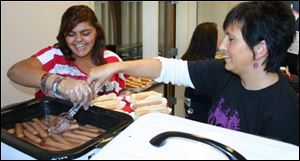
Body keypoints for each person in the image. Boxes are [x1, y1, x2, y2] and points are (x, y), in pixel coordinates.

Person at [88, 1, 299, 145]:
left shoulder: (284, 111)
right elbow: (167, 68)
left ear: (260, 49)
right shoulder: (223, 73)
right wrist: (117, 66)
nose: (222, 46)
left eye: (231, 39)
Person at [7, 5, 126, 110]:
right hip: (56, 128)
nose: (78, 39)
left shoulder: (112, 59)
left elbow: (120, 95)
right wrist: (58, 83)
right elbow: (15, 71)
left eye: (85, 33)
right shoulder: (54, 56)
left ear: (97, 32)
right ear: (64, 36)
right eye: (71, 34)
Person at [181, 22, 222, 123]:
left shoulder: (194, 61)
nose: (222, 38)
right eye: (219, 35)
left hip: (192, 111)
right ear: (211, 40)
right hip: (202, 118)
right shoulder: (205, 68)